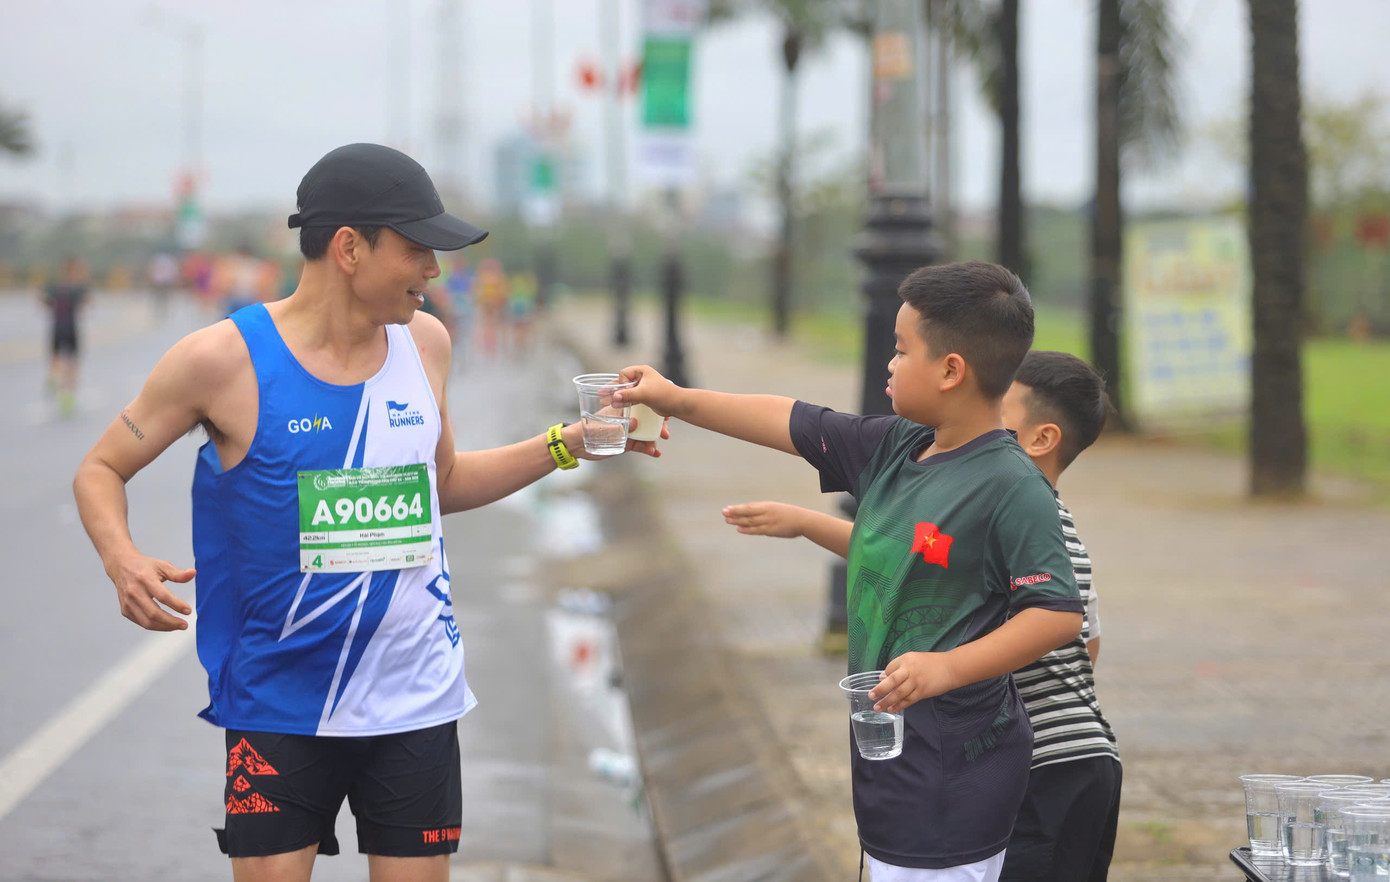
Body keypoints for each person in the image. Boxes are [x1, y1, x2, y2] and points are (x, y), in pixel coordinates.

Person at [72, 142, 663, 882]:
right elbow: (101, 467)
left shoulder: (427, 345)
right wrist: (120, 557)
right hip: (278, 699)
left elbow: (440, 482)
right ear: (349, 247)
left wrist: (567, 444)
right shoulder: (220, 361)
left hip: (414, 693)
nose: (434, 272)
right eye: (417, 250)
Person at [613, 261, 1084, 881]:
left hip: (955, 776)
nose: (888, 363)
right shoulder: (897, 445)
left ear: (951, 370)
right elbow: (790, 419)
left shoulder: (1009, 485)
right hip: (891, 763)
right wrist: (675, 398)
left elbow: (1057, 612)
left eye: (900, 349)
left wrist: (945, 667)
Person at [722, 350, 1121, 882]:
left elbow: (1063, 622)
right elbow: (914, 560)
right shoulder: (1012, 514)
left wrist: (957, 668)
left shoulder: (1030, 521)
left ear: (1042, 440)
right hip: (1067, 766)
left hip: (1051, 767)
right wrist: (804, 523)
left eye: (998, 407)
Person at [42, 255, 89, 416]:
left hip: (56, 327)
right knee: (73, 363)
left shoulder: (54, 286)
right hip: (71, 328)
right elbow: (87, 304)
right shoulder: (78, 288)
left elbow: (44, 302)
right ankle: (68, 398)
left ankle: (54, 379)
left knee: (55, 357)